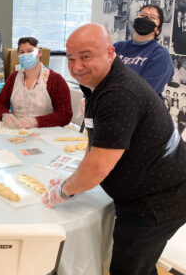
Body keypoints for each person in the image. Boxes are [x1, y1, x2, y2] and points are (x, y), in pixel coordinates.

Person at [42, 23, 186, 275]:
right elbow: (96, 142)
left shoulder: (119, 93)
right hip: (147, 189)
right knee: (139, 264)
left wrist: (64, 191)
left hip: (159, 199)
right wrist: (74, 180)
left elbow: (98, 166)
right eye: (71, 58)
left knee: (128, 268)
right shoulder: (98, 84)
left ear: (110, 54)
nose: (76, 67)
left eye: (86, 57)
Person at [0, 37, 72, 128]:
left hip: (46, 132)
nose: (25, 55)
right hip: (17, 130)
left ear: (39, 53)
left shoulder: (55, 80)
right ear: (18, 54)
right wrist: (4, 114)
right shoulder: (13, 78)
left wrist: (35, 121)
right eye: (22, 52)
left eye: (30, 51)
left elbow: (65, 115)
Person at [114, 4, 174, 99]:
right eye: (142, 15)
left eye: (152, 17)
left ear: (157, 30)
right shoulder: (117, 47)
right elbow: (97, 77)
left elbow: (142, 94)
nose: (146, 18)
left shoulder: (161, 56)